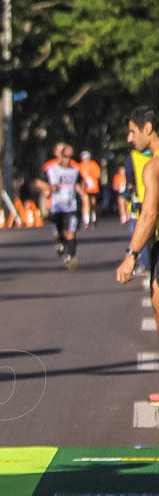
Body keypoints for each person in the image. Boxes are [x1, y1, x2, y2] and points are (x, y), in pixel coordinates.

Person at [116, 106, 159, 356]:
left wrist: (130, 255)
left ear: (148, 128)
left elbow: (150, 213)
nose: (129, 139)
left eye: (132, 132)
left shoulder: (152, 167)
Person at [37, 143, 84, 270]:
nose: (68, 160)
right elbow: (38, 182)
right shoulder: (51, 169)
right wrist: (48, 188)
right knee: (59, 232)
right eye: (65, 157)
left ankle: (71, 257)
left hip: (71, 206)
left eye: (70, 157)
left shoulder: (75, 170)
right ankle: (60, 243)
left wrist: (83, 194)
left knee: (71, 232)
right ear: (59, 156)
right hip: (56, 206)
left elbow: (80, 184)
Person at [78, 151, 101, 228]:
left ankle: (94, 218)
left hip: (93, 187)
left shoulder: (93, 164)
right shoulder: (80, 166)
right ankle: (86, 220)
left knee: (93, 203)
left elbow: (98, 174)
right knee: (86, 203)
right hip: (84, 187)